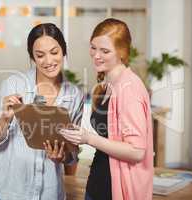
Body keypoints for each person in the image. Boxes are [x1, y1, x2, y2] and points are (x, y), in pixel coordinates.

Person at [0, 23, 84, 200]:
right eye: (40, 55)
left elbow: (72, 153)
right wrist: (5, 120)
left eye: (54, 52)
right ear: (32, 57)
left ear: (63, 51)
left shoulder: (74, 95)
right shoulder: (14, 84)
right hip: (7, 190)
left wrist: (61, 156)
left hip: (49, 193)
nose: (48, 61)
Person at [60, 18, 153, 200]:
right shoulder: (108, 84)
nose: (96, 55)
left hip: (116, 190)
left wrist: (88, 138)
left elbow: (137, 151)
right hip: (99, 184)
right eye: (93, 47)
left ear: (122, 52)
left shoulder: (129, 89)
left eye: (105, 51)